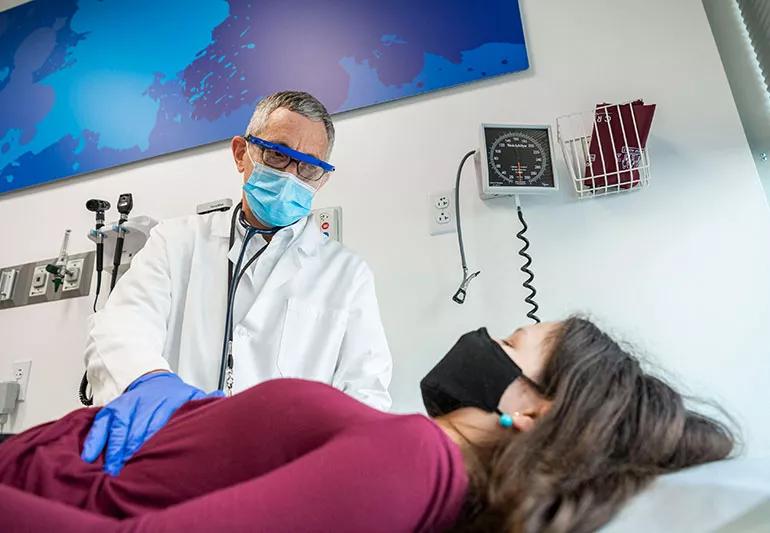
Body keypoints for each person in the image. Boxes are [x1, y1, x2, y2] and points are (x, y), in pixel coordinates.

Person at [0, 317, 734, 532]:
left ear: (536, 412)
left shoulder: (417, 462)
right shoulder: (425, 474)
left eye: (511, 342)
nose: (483, 341)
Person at [82, 91, 393, 476]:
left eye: (309, 167)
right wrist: (147, 382)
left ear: (322, 178)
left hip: (283, 478)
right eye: (278, 155)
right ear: (241, 153)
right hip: (171, 452)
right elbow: (121, 326)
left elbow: (366, 390)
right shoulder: (177, 242)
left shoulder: (346, 275)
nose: (290, 176)